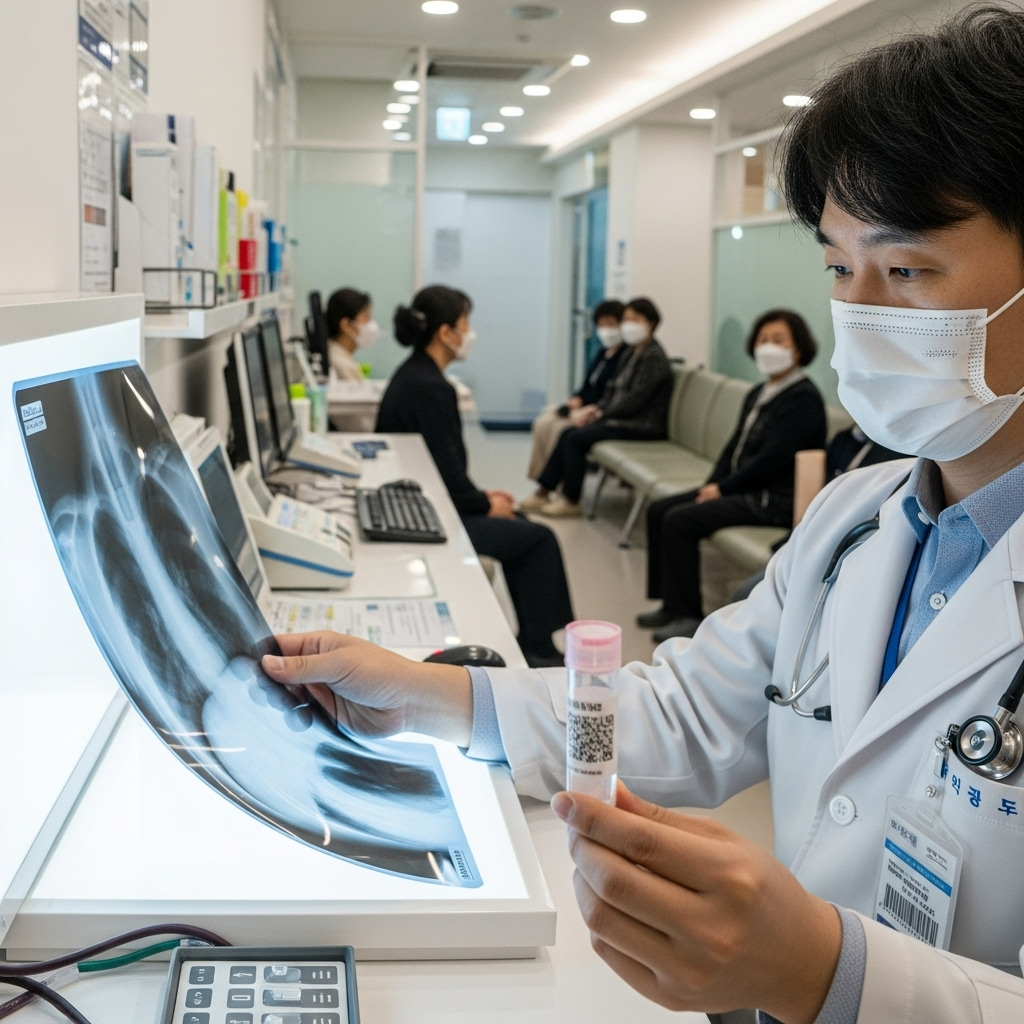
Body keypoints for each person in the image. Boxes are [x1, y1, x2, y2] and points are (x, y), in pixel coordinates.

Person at [262, 10, 1024, 1021]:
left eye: (908, 269)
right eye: (839, 269)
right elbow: (687, 711)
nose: (862, 312)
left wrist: (828, 974)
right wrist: (425, 697)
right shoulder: (856, 522)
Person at [375, 285, 574, 667]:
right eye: (466, 323)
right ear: (446, 333)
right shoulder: (432, 388)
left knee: (523, 528)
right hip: (434, 512)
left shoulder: (415, 375)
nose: (470, 333)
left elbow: (442, 467)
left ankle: (535, 642)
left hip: (422, 501)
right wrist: (485, 503)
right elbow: (448, 476)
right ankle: (540, 651)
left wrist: (484, 497)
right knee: (538, 539)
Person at [639, 310, 827, 642]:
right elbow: (732, 447)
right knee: (659, 510)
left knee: (679, 521)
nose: (768, 347)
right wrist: (711, 485)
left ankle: (686, 615)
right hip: (739, 488)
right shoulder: (759, 392)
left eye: (778, 340)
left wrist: (723, 489)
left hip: (772, 500)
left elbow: (771, 461)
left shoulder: (803, 400)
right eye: (763, 339)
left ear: (798, 349)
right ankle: (670, 603)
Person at [729, 423, 907, 603]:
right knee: (745, 595)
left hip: (845, 551)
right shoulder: (845, 438)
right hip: (809, 539)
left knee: (746, 596)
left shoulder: (897, 453)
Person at [536, 297, 674, 517]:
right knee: (569, 432)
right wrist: (595, 409)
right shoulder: (631, 352)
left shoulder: (654, 357)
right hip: (622, 419)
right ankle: (544, 491)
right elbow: (612, 390)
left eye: (635, 319)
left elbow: (634, 400)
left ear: (651, 323)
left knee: (575, 438)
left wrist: (598, 414)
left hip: (641, 425)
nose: (629, 325)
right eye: (626, 319)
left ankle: (571, 501)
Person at [521, 300, 627, 508]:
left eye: (611, 323)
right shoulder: (602, 354)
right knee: (543, 423)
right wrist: (574, 401)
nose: (606, 329)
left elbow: (612, 395)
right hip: (585, 405)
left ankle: (555, 487)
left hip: (599, 410)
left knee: (562, 429)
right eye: (602, 324)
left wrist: (589, 409)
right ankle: (541, 484)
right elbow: (587, 387)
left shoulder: (625, 357)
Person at [326, 287, 377, 381]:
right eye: (366, 317)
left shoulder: (341, 357)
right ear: (347, 325)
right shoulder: (341, 364)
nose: (371, 323)